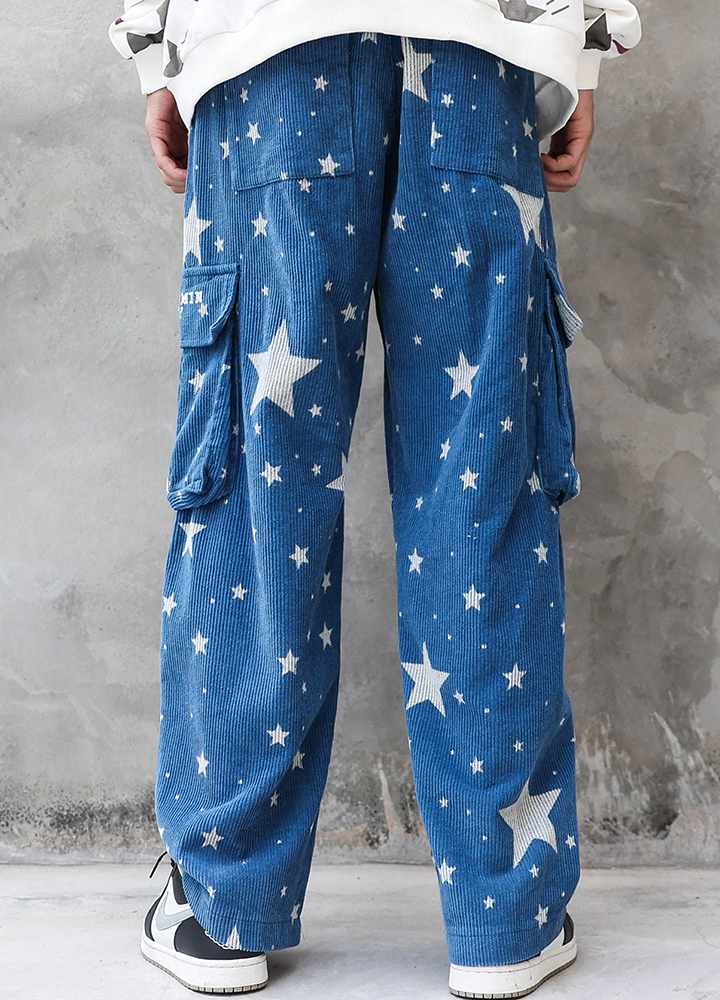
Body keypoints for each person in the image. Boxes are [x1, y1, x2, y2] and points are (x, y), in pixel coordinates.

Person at [108, 3, 641, 996]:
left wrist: (157, 52)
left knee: (257, 489)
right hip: (478, 58)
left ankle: (224, 910)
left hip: (268, 55)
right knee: (482, 485)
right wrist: (579, 49)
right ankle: (505, 914)